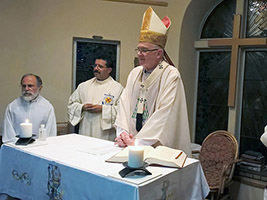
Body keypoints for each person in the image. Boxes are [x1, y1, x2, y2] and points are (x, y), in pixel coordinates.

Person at [114, 7, 191, 156]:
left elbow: (166, 114)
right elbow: (124, 104)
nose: (139, 54)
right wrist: (123, 133)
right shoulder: (135, 73)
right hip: (129, 144)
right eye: (138, 49)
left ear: (159, 53)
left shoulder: (170, 75)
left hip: (156, 149)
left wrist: (138, 142)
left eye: (144, 50)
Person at [68, 56, 123, 141]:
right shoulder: (84, 86)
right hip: (85, 131)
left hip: (104, 134)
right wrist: (82, 107)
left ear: (109, 70)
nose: (96, 69)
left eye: (100, 66)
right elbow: (71, 104)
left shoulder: (117, 88)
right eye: (95, 66)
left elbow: (122, 110)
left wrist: (103, 109)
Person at [2, 73, 57, 143]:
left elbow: (50, 134)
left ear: (40, 87)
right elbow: (8, 135)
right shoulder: (12, 107)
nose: (26, 89)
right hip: (17, 148)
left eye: (30, 86)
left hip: (40, 148)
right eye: (24, 86)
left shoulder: (47, 108)